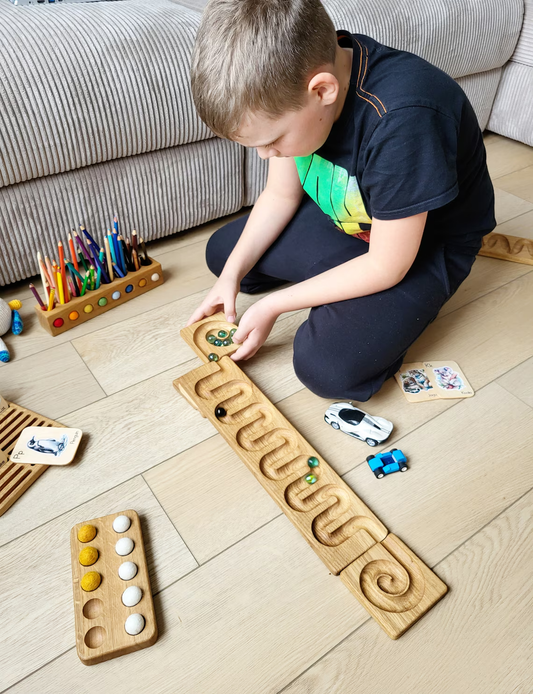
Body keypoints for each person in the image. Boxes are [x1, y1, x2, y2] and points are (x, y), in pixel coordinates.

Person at [186, 0, 496, 401]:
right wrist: (230, 275)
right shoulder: (302, 83)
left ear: (323, 91)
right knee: (225, 255)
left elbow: (388, 264)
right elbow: (281, 194)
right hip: (356, 223)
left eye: (272, 141)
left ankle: (365, 306)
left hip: (422, 247)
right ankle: (340, 287)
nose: (266, 155)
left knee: (327, 368)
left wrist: (274, 305)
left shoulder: (404, 117)